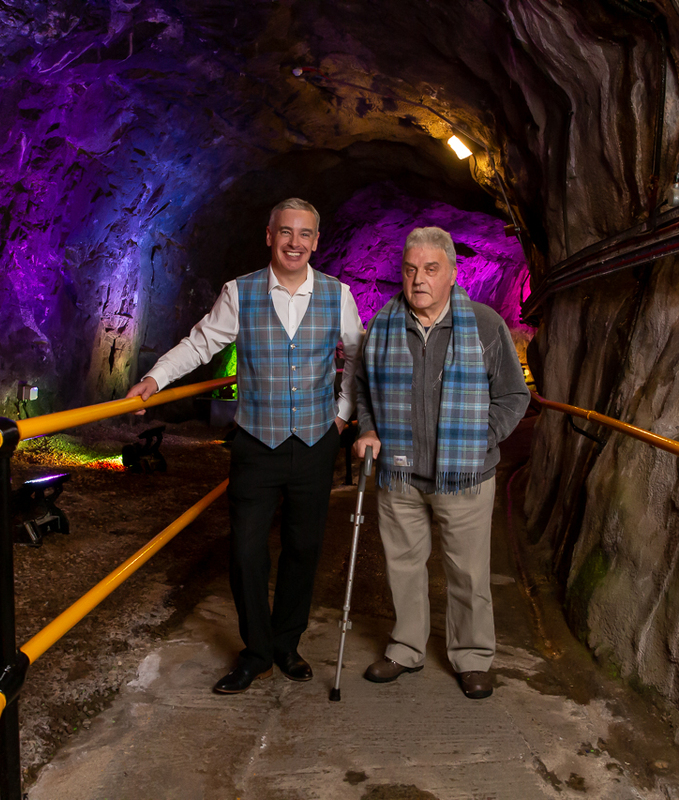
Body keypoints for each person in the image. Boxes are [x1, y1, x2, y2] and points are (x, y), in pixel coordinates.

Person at [125, 198, 364, 694]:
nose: (295, 242)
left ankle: (286, 644)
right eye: (286, 232)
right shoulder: (240, 292)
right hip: (256, 443)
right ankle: (257, 651)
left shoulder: (339, 295)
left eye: (305, 234)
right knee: (246, 551)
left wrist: (342, 414)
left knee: (303, 548)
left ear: (317, 242)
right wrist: (155, 378)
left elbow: (356, 358)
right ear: (270, 235)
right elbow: (200, 343)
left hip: (316, 442)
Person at [354, 226, 529, 700]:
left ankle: (472, 657)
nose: (418, 280)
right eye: (410, 269)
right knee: (403, 566)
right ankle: (406, 648)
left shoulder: (486, 325)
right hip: (400, 472)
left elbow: (514, 396)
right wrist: (368, 428)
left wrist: (481, 439)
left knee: (469, 573)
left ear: (452, 273)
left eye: (431, 269)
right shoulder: (384, 324)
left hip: (466, 475)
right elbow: (364, 389)